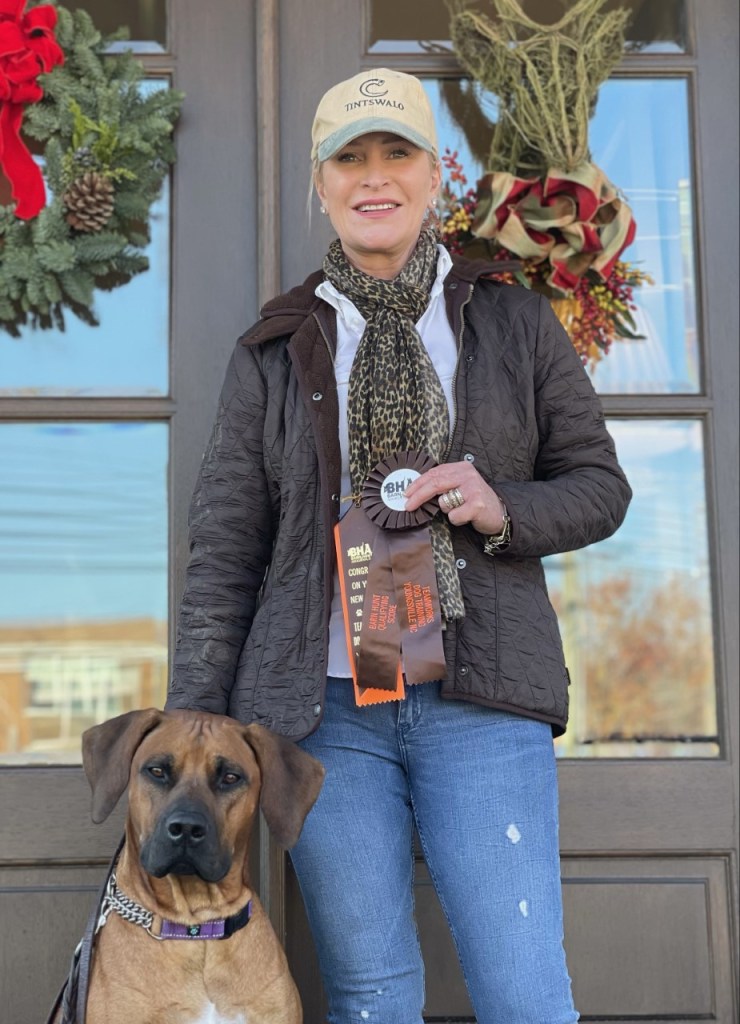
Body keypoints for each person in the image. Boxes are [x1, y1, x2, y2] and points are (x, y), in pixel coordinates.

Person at [166, 67, 631, 1024]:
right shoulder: (275, 347)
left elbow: (600, 487)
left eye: (396, 153)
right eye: (350, 158)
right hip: (323, 717)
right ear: (321, 184)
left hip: (483, 702)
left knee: (525, 993)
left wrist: (499, 506)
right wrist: (191, 728)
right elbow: (226, 547)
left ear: (433, 174)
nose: (374, 176)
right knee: (371, 996)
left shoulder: (512, 320)